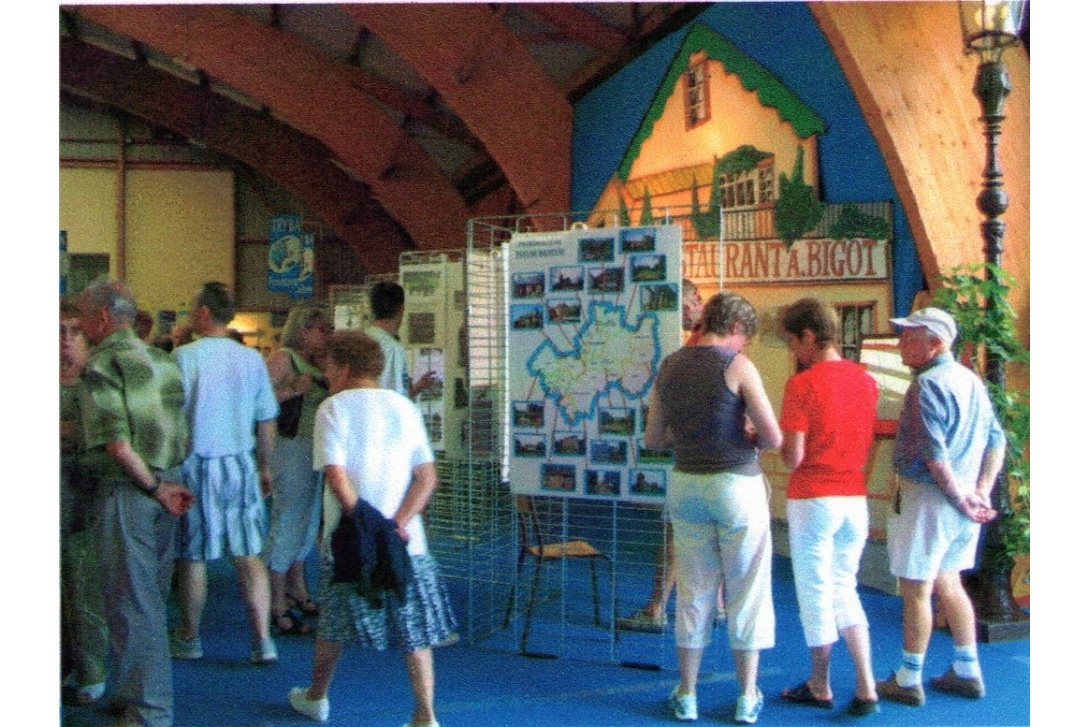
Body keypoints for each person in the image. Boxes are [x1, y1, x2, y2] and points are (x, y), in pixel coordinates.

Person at [288, 330, 457, 725]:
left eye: (328, 366)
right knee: (415, 631)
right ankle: (425, 713)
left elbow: (335, 474)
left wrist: (365, 523)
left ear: (344, 367)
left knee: (333, 623)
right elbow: (426, 477)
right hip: (405, 542)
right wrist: (395, 526)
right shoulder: (404, 407)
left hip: (352, 541)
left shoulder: (332, 408)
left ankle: (316, 697)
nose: (325, 373)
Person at [645, 291, 782, 724]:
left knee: (693, 591)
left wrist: (692, 434)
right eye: (746, 338)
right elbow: (774, 437)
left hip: (685, 484)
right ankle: (745, 696)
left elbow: (653, 440)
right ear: (737, 329)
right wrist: (745, 431)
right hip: (736, 485)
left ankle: (686, 693)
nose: (744, 346)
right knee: (747, 590)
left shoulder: (668, 365)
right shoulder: (738, 366)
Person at [77, 276, 194, 727]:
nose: (81, 327)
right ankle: (134, 693)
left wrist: (151, 487)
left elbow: (117, 444)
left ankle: (149, 711)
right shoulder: (163, 360)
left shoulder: (100, 366)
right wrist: (168, 484)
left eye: (84, 318)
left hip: (133, 491)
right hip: (171, 485)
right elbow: (181, 432)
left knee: (130, 602)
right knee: (150, 597)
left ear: (101, 318)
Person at [876, 307, 1006, 707]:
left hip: (928, 501)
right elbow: (997, 440)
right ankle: (967, 670)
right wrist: (979, 492)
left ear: (936, 342)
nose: (901, 342)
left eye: (909, 336)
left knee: (916, 589)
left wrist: (959, 495)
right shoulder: (971, 380)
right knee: (949, 583)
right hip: (962, 503)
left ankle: (908, 677)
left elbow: (935, 456)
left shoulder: (926, 386)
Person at [776, 298, 880, 717]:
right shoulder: (866, 380)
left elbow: (793, 458)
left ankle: (820, 682)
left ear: (809, 336)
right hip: (854, 499)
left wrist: (765, 439)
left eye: (792, 342)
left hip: (813, 498)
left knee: (815, 593)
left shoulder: (801, 385)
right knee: (845, 589)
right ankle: (866, 684)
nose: (793, 352)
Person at [170, 283, 280, 664]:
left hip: (197, 465)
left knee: (194, 556)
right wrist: (264, 468)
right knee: (249, 554)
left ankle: (189, 636)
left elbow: (173, 420)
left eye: (190, 306)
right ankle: (263, 641)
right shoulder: (251, 360)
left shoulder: (183, 357)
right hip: (240, 464)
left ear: (203, 313)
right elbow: (267, 421)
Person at [618, 278, 705, 633]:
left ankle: (656, 607)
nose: (678, 318)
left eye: (679, 308)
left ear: (692, 301)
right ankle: (712, 607)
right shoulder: (706, 341)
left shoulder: (701, 344)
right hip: (706, 457)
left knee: (674, 530)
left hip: (694, 457)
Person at [264, 304, 332, 635]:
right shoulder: (283, 359)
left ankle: (297, 588)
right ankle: (275, 602)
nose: (327, 335)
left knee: (306, 523)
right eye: (323, 329)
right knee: (288, 518)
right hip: (289, 447)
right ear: (304, 329)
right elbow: (258, 401)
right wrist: (293, 390)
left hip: (312, 450)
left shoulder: (317, 363)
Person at [60, 297, 108, 706]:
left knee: (84, 586)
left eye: (74, 331)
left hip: (86, 498)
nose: (64, 341)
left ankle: (92, 671)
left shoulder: (98, 381)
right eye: (58, 331)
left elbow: (104, 438)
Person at [365, 280, 437, 397]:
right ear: (401, 308)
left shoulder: (362, 339)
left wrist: (415, 389)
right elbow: (394, 398)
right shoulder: (392, 348)